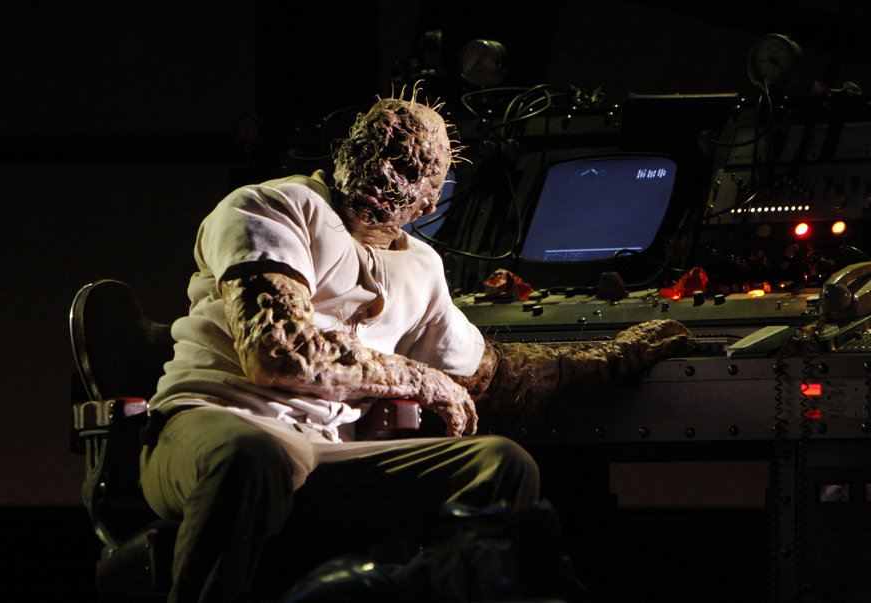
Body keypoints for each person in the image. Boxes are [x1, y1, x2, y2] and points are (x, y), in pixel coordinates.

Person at [139, 90, 693, 602]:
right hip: (212, 424)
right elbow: (280, 348)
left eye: (407, 167)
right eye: (370, 148)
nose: (381, 170)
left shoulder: (422, 268)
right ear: (342, 150)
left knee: (499, 465)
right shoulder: (272, 206)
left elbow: (496, 377)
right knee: (250, 457)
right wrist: (423, 379)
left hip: (326, 454)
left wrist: (616, 357)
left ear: (431, 198)